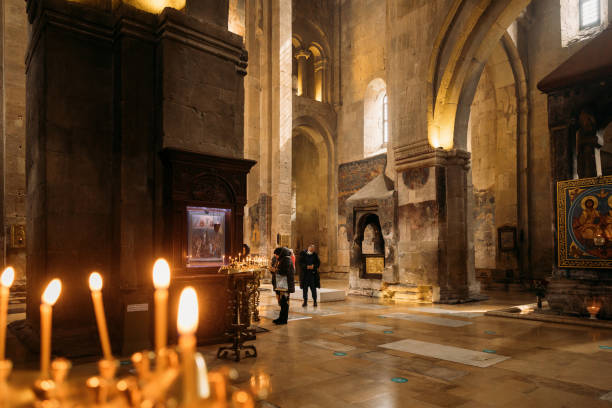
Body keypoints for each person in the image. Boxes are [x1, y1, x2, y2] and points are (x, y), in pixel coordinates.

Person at [271, 247, 295, 325]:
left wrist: (275, 270)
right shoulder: (282, 259)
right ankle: (281, 318)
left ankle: (284, 319)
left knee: (284, 303)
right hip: (281, 284)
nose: (276, 257)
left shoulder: (287, 259)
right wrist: (274, 270)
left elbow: (284, 271)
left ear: (279, 254)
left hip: (285, 285)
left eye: (276, 255)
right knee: (282, 302)